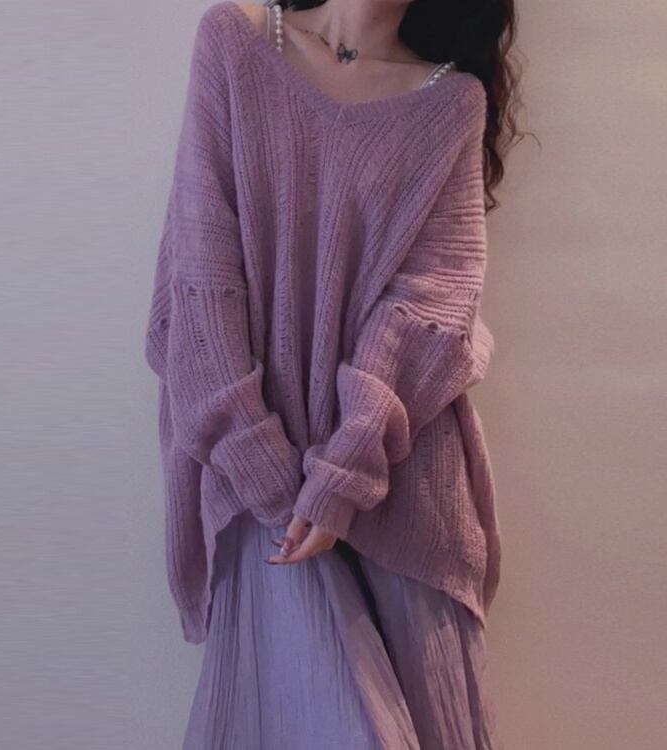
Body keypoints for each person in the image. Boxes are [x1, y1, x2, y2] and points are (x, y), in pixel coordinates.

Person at [144, 1, 522, 747]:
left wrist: (345, 469)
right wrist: (258, 461)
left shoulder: (450, 101)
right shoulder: (236, 42)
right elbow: (200, 273)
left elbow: (433, 305)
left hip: (398, 484)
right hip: (259, 484)